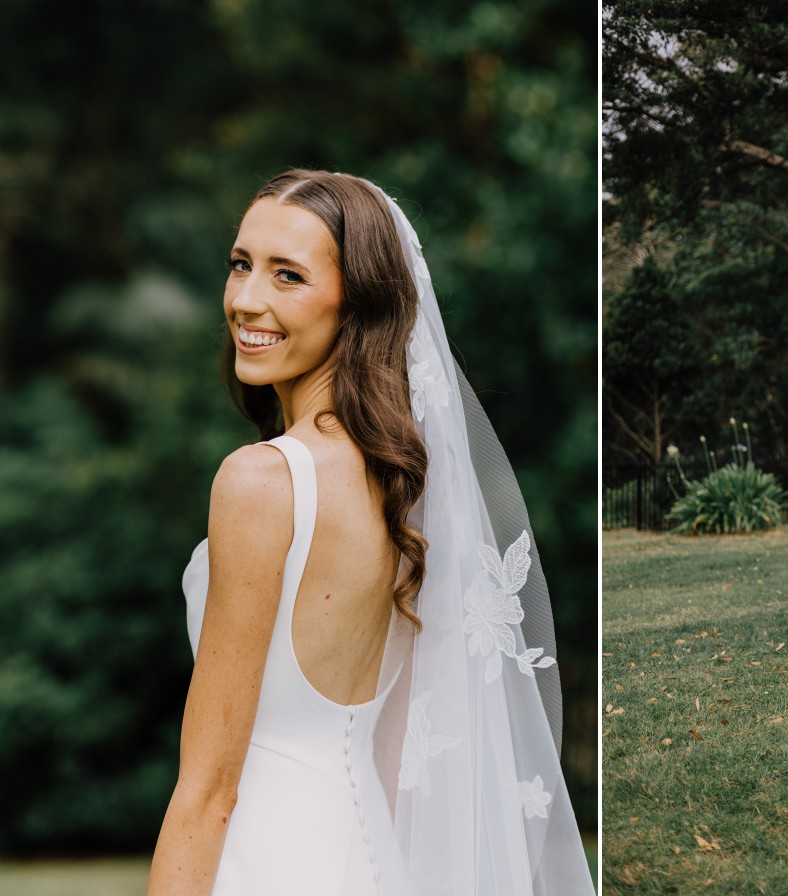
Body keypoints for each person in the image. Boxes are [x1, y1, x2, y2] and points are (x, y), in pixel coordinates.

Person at [148, 169, 594, 893]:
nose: (246, 299)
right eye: (241, 264)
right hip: (369, 858)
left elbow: (209, 792)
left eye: (288, 275)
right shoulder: (400, 488)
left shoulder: (259, 482)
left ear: (357, 305)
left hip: (267, 862)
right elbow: (398, 759)